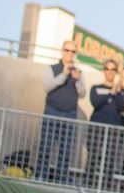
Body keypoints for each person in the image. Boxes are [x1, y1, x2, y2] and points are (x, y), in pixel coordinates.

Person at [35, 40, 86, 184]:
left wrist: (77, 80)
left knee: (66, 149)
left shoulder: (78, 72)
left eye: (73, 51)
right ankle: (41, 176)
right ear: (62, 51)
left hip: (70, 113)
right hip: (52, 111)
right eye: (67, 50)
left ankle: (61, 178)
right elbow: (47, 86)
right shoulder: (52, 68)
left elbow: (83, 93)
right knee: (46, 145)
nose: (70, 53)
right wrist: (63, 75)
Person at [86, 59, 124, 190]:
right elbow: (95, 103)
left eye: (113, 69)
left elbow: (122, 107)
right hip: (96, 127)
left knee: (110, 160)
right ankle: (89, 185)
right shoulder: (96, 88)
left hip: (113, 130)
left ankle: (106, 188)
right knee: (93, 157)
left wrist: (118, 91)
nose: (110, 72)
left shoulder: (122, 91)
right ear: (104, 70)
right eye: (107, 69)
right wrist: (110, 92)